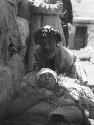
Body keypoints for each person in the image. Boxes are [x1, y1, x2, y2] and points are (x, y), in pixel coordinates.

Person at [25, 0, 66, 73]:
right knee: (37, 54)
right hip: (37, 26)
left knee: (54, 54)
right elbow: (31, 7)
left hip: (52, 27)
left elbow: (59, 8)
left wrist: (40, 6)